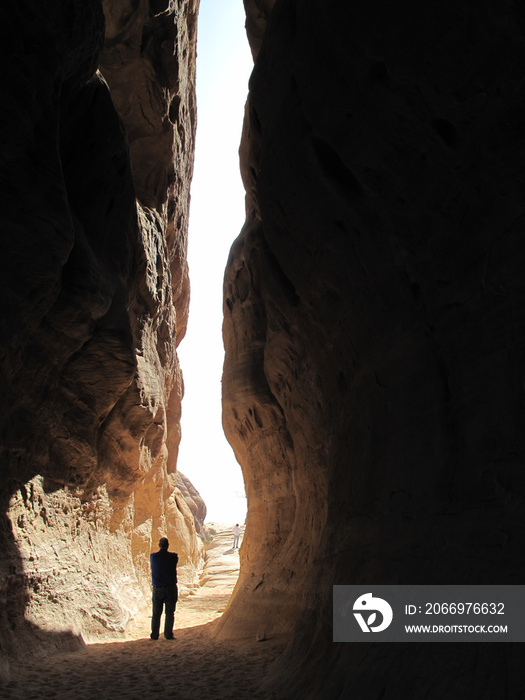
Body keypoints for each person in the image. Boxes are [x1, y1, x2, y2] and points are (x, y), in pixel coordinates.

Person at [149, 537, 178, 640]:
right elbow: (175, 560)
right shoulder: (173, 557)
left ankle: (154, 635)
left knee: (156, 613)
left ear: (159, 545)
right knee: (169, 613)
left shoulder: (153, 557)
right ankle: (168, 634)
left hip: (157, 589)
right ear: (168, 545)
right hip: (170, 588)